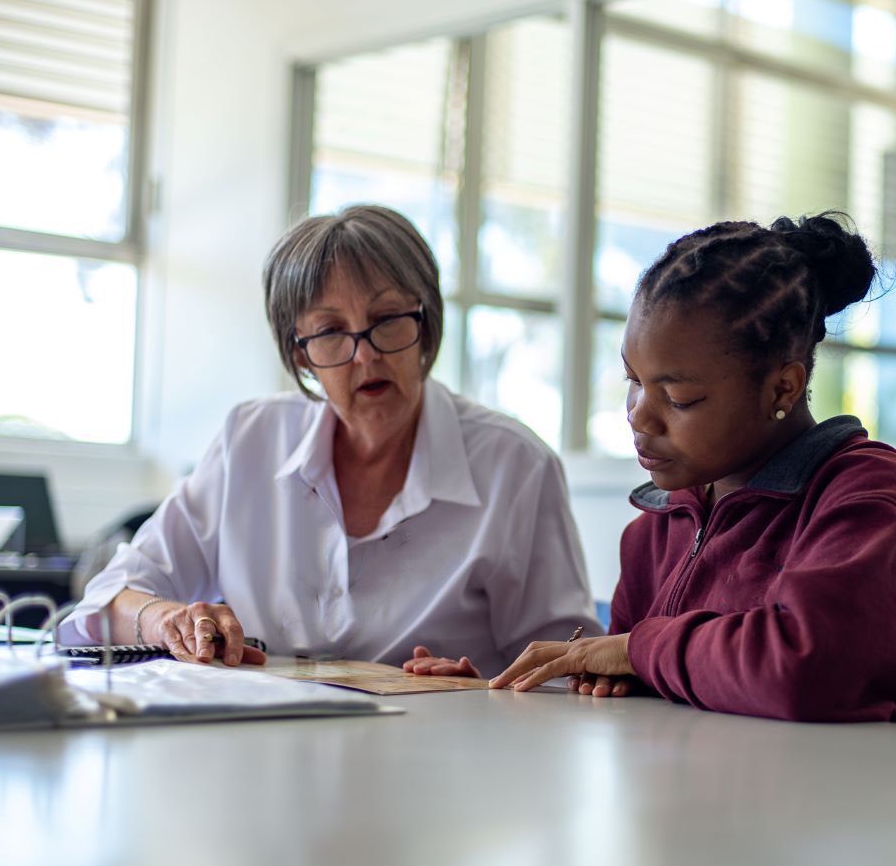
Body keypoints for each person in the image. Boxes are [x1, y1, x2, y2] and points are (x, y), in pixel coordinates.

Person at [65, 205, 600, 675]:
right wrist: (166, 619)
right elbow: (105, 601)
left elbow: (573, 667)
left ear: (426, 323)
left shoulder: (516, 465)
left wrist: (486, 687)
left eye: (388, 320)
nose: (365, 355)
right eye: (330, 332)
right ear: (300, 352)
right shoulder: (249, 440)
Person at [491, 213, 896, 724]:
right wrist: (492, 689)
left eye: (680, 397)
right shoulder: (654, 531)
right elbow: (624, 702)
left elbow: (808, 675)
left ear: (783, 389)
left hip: (848, 799)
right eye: (632, 380)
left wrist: (641, 648)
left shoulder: (865, 495)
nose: (638, 414)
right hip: (704, 795)